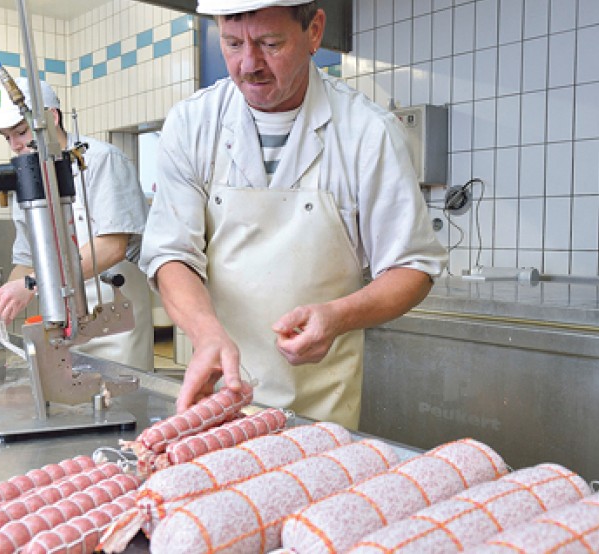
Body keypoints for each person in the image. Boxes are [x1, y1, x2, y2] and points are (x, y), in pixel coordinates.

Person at [139, 0, 447, 428]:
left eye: (270, 43)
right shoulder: (193, 124)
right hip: (217, 402)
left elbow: (412, 266)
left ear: (314, 31)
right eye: (232, 43)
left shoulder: (367, 132)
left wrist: (338, 317)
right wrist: (205, 333)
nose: (249, 65)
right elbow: (170, 253)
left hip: (320, 412)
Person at [0, 80, 154, 371]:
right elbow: (26, 259)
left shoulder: (101, 160)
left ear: (52, 118)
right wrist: (4, 302)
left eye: (21, 132)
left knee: (119, 392)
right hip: (61, 323)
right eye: (6, 137)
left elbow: (112, 247)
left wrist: (32, 284)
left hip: (114, 320)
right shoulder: (27, 179)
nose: (15, 145)